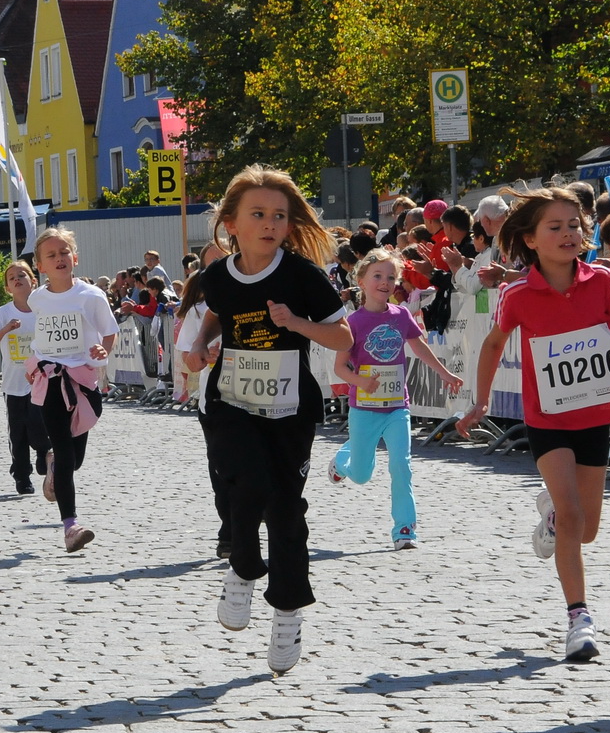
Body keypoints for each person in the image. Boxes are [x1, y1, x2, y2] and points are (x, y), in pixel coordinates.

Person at [182, 166, 353, 674]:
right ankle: (243, 567)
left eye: (279, 215)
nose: (270, 223)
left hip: (289, 409)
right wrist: (198, 345)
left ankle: (286, 613)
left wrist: (295, 323)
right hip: (231, 402)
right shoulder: (216, 275)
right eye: (257, 214)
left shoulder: (302, 276)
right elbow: (218, 309)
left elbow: (341, 338)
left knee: (285, 511)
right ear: (231, 222)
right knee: (245, 483)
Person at [457, 186, 610, 661]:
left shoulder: (604, 283)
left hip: (594, 415)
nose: (568, 234)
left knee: (585, 527)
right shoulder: (517, 293)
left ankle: (553, 514)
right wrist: (480, 402)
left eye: (574, 225)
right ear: (530, 240)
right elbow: (493, 345)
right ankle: (579, 618)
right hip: (548, 418)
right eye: (554, 227)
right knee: (575, 519)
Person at [326, 248, 463, 550]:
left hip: (397, 407)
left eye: (391, 277)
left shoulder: (401, 315)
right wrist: (360, 380)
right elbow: (339, 367)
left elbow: (420, 347)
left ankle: (404, 529)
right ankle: (343, 459)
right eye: (377, 276)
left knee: (401, 465)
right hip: (364, 409)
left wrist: (444, 373)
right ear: (361, 281)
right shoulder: (353, 322)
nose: (385, 282)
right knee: (361, 475)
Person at [26, 228, 118, 552]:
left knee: (74, 459)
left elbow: (109, 332)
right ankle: (71, 526)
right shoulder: (37, 298)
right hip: (51, 380)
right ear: (40, 266)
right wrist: (34, 362)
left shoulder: (91, 296)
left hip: (83, 381)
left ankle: (53, 465)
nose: (59, 259)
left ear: (75, 257)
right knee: (66, 454)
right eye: (51, 255)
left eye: (64, 252)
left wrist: (103, 352)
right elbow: (40, 337)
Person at [175, 242, 233, 556]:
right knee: (221, 466)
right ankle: (230, 529)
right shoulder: (199, 309)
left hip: (264, 395)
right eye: (212, 266)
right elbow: (188, 357)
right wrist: (203, 354)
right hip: (216, 399)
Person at [0, 259, 46, 495]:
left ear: (33, 281)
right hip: (14, 382)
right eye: (12, 278)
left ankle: (42, 452)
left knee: (40, 423)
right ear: (8, 288)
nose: (17, 280)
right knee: (18, 431)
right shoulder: (4, 312)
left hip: (42, 380)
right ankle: (21, 475)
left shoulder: (44, 308)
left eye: (22, 275)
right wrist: (6, 329)